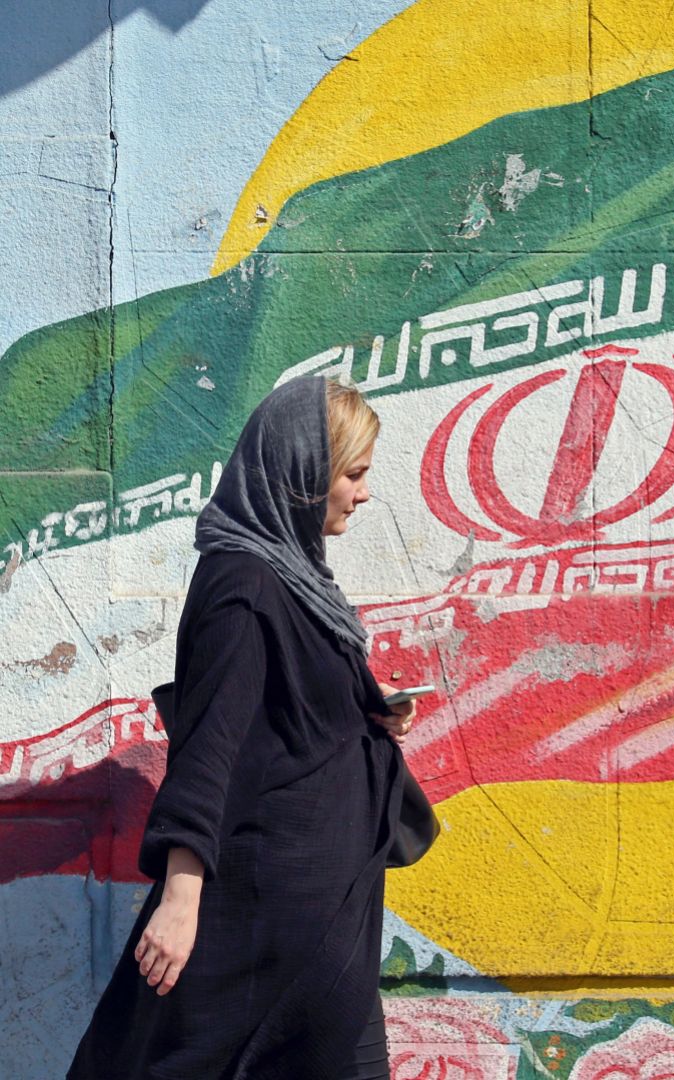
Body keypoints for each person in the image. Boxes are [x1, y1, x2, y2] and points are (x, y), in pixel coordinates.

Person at [68, 376, 416, 1079]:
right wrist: (180, 899)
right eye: (354, 473)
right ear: (305, 475)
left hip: (324, 910)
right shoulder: (243, 583)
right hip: (264, 918)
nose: (364, 493)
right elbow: (210, 745)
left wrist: (369, 715)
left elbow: (283, 717)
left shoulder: (296, 578)